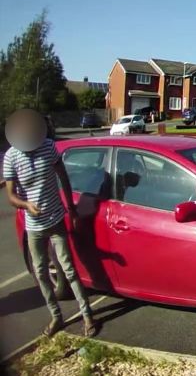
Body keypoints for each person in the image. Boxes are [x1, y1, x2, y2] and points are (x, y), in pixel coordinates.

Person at [3, 108, 97, 337]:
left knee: (69, 270)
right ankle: (56, 316)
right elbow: (11, 196)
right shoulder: (11, 157)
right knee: (42, 273)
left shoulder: (48, 147)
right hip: (34, 227)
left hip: (56, 221)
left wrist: (71, 209)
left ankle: (87, 316)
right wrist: (26, 206)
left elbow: (63, 176)